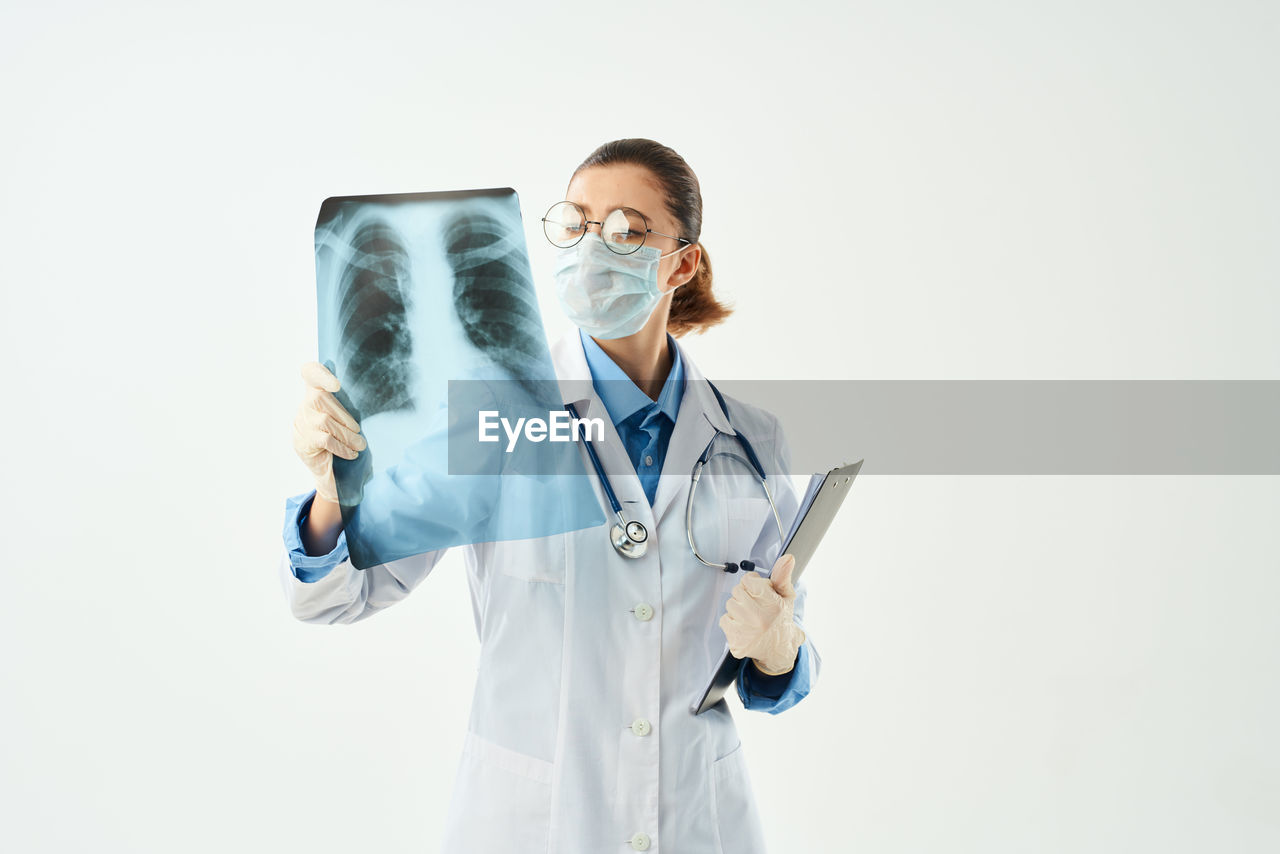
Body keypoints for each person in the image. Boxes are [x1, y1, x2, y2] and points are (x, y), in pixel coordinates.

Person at [282, 138, 820, 853]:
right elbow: (334, 595)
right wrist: (331, 495)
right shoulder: (491, 421)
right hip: (533, 823)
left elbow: (768, 670)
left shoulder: (751, 440)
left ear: (683, 262)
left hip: (699, 819)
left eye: (627, 229)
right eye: (576, 224)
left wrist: (781, 650)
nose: (595, 248)